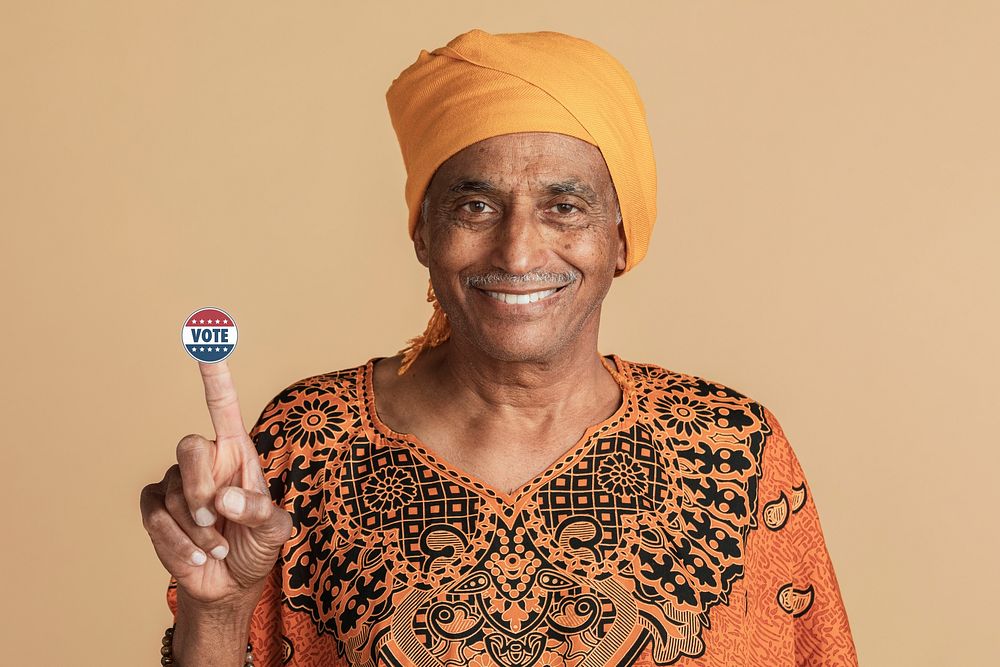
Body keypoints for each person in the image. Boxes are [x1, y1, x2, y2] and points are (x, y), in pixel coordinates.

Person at [140, 29, 857, 667]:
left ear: (620, 237)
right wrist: (218, 610)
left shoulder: (733, 449)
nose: (517, 251)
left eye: (564, 206)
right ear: (424, 232)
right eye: (475, 205)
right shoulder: (306, 440)